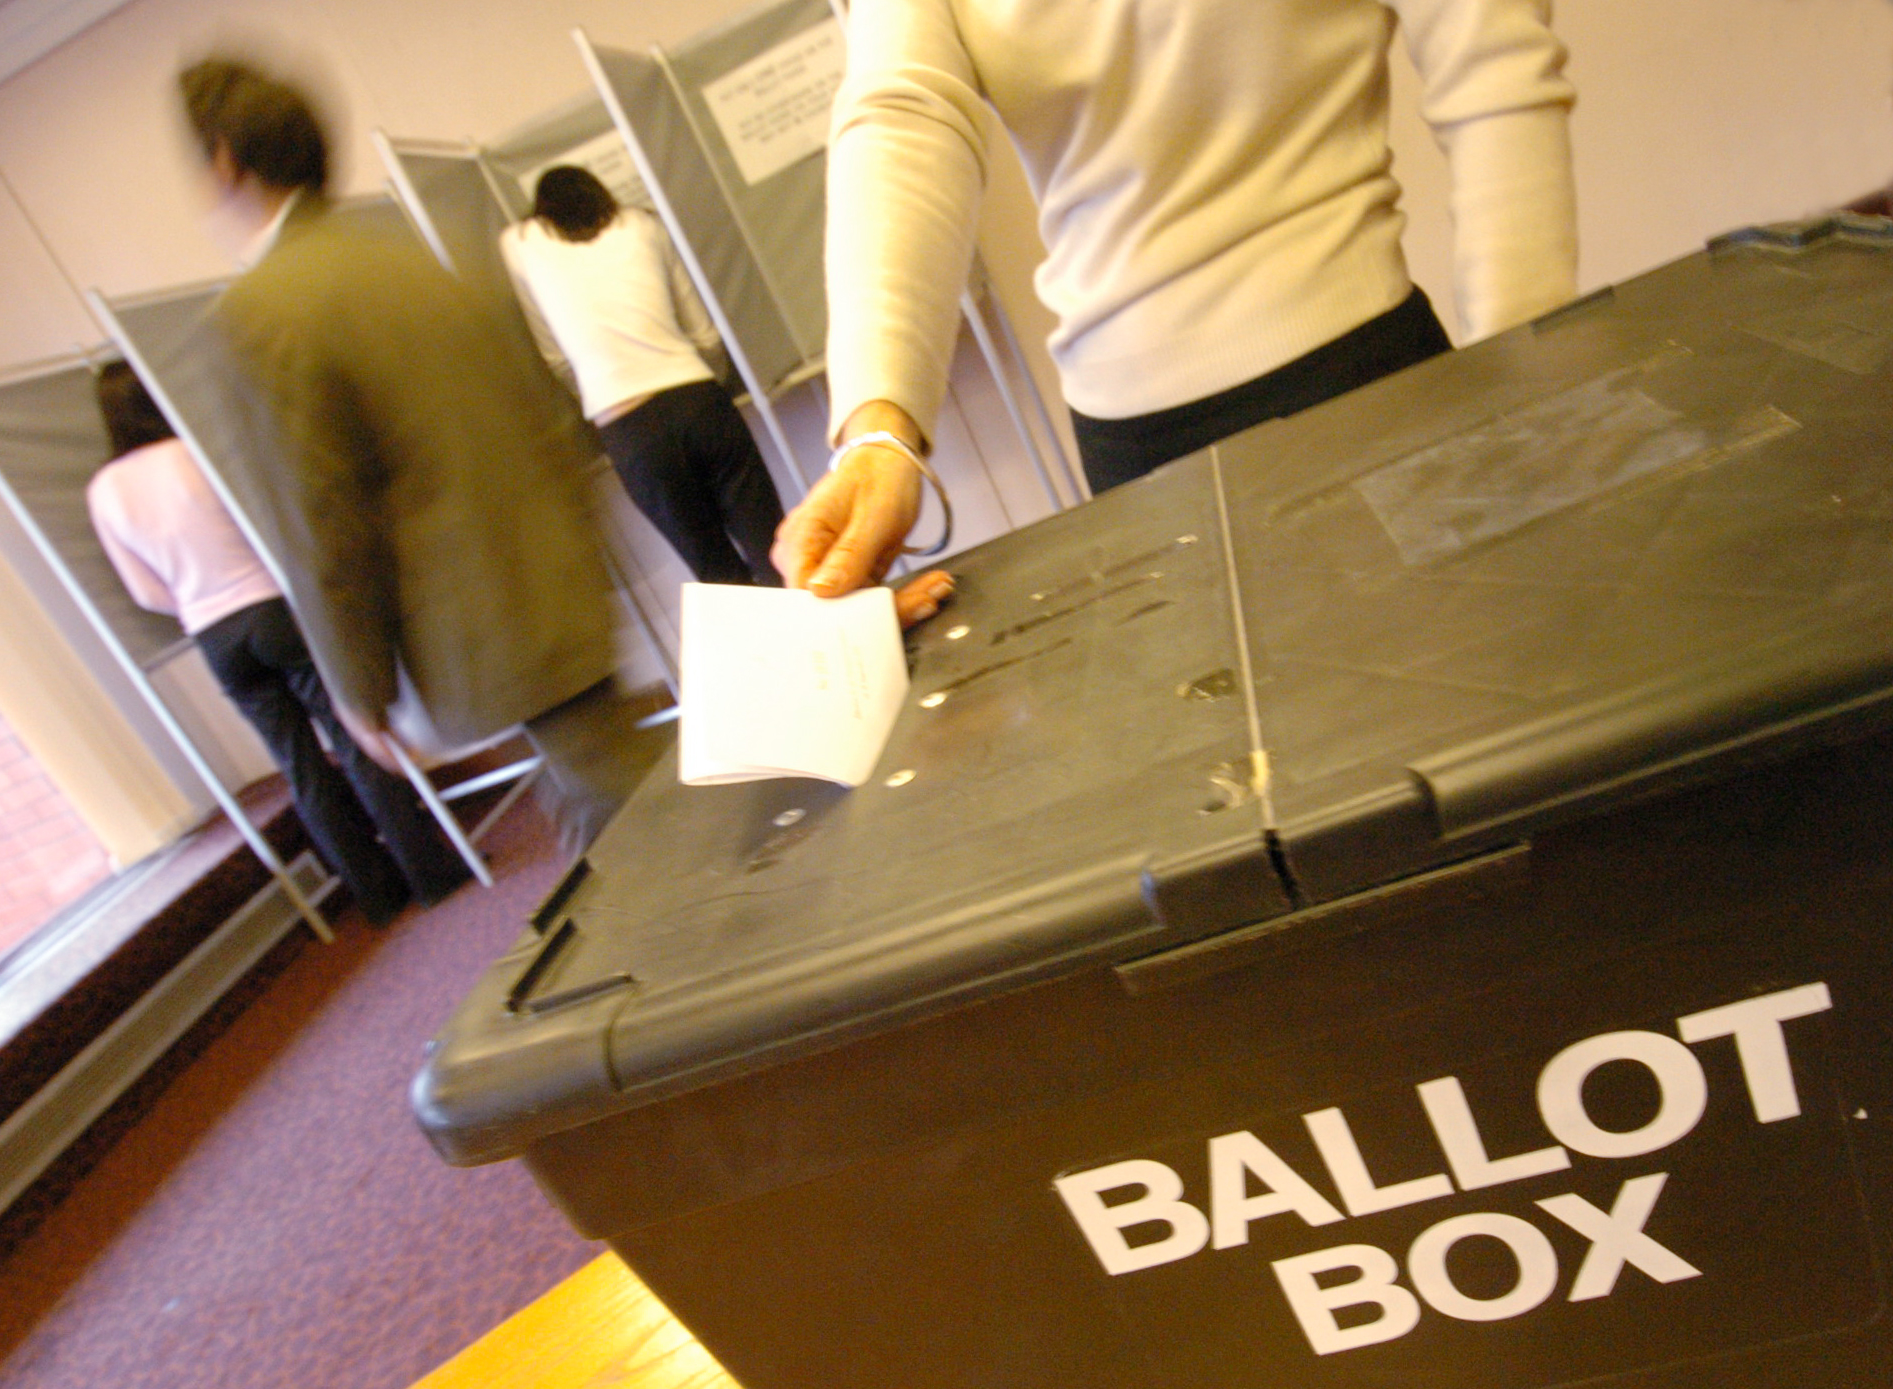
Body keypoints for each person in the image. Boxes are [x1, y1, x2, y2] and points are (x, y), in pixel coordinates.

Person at [775, 0, 1580, 601]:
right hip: (1134, 455)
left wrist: (1522, 381)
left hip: (1375, 389)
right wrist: (877, 433)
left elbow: (1491, 60)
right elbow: (906, 114)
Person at [177, 56, 641, 855]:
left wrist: (356, 686)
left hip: (479, 624)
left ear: (225, 160)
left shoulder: (259, 313)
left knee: (639, 832)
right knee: (604, 809)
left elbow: (318, 519)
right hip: (554, 583)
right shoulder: (415, 256)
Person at [87, 362, 469, 921]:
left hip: (215, 638)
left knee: (301, 767)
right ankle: (432, 876)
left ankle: (378, 899)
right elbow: (268, 531)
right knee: (354, 734)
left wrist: (201, 602)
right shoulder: (195, 453)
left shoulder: (103, 491)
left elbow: (147, 594)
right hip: (274, 609)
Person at [500, 166, 785, 586]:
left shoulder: (519, 242)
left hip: (628, 427)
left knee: (717, 575)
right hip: (698, 399)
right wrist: (709, 387)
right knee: (777, 551)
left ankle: (765, 651)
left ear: (542, 209)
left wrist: (598, 395)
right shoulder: (642, 223)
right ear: (602, 196)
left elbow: (556, 356)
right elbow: (704, 332)